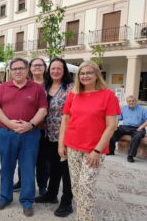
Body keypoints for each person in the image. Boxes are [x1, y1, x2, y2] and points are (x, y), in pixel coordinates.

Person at [58, 60, 120, 220]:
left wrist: (97, 150)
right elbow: (65, 119)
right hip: (72, 147)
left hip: (94, 150)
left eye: (89, 73)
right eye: (82, 73)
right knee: (76, 187)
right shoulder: (73, 94)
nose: (85, 76)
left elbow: (111, 126)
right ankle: (83, 216)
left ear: (96, 75)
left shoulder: (108, 95)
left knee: (86, 187)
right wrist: (61, 144)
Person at [0, 57, 48, 217]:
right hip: (7, 133)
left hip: (30, 134)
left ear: (27, 70)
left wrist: (30, 124)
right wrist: (9, 123)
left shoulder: (36, 88)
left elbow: (43, 109)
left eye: (20, 68)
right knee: (6, 167)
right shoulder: (3, 87)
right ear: (11, 71)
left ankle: (27, 201)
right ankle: (5, 197)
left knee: (28, 168)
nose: (17, 71)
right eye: (14, 69)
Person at [35, 58, 74, 217]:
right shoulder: (45, 86)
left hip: (65, 135)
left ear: (64, 71)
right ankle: (51, 195)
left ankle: (67, 202)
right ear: (48, 71)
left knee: (66, 170)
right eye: (53, 69)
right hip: (46, 133)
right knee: (53, 166)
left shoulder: (71, 88)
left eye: (59, 68)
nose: (55, 71)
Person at [14, 58, 49, 195]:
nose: (37, 68)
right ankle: (21, 181)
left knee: (42, 159)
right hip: (25, 126)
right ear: (29, 68)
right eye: (34, 65)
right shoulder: (25, 83)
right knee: (23, 157)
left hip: (45, 127)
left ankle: (42, 185)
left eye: (40, 65)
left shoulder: (50, 84)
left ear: (44, 67)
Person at [108, 95, 147, 162]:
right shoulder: (124, 108)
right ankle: (111, 151)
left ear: (136, 101)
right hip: (125, 126)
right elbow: (118, 118)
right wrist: (115, 126)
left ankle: (130, 156)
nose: (131, 102)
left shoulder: (143, 109)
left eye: (133, 101)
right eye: (129, 101)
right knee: (112, 132)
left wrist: (141, 127)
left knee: (137, 137)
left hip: (138, 127)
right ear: (127, 102)